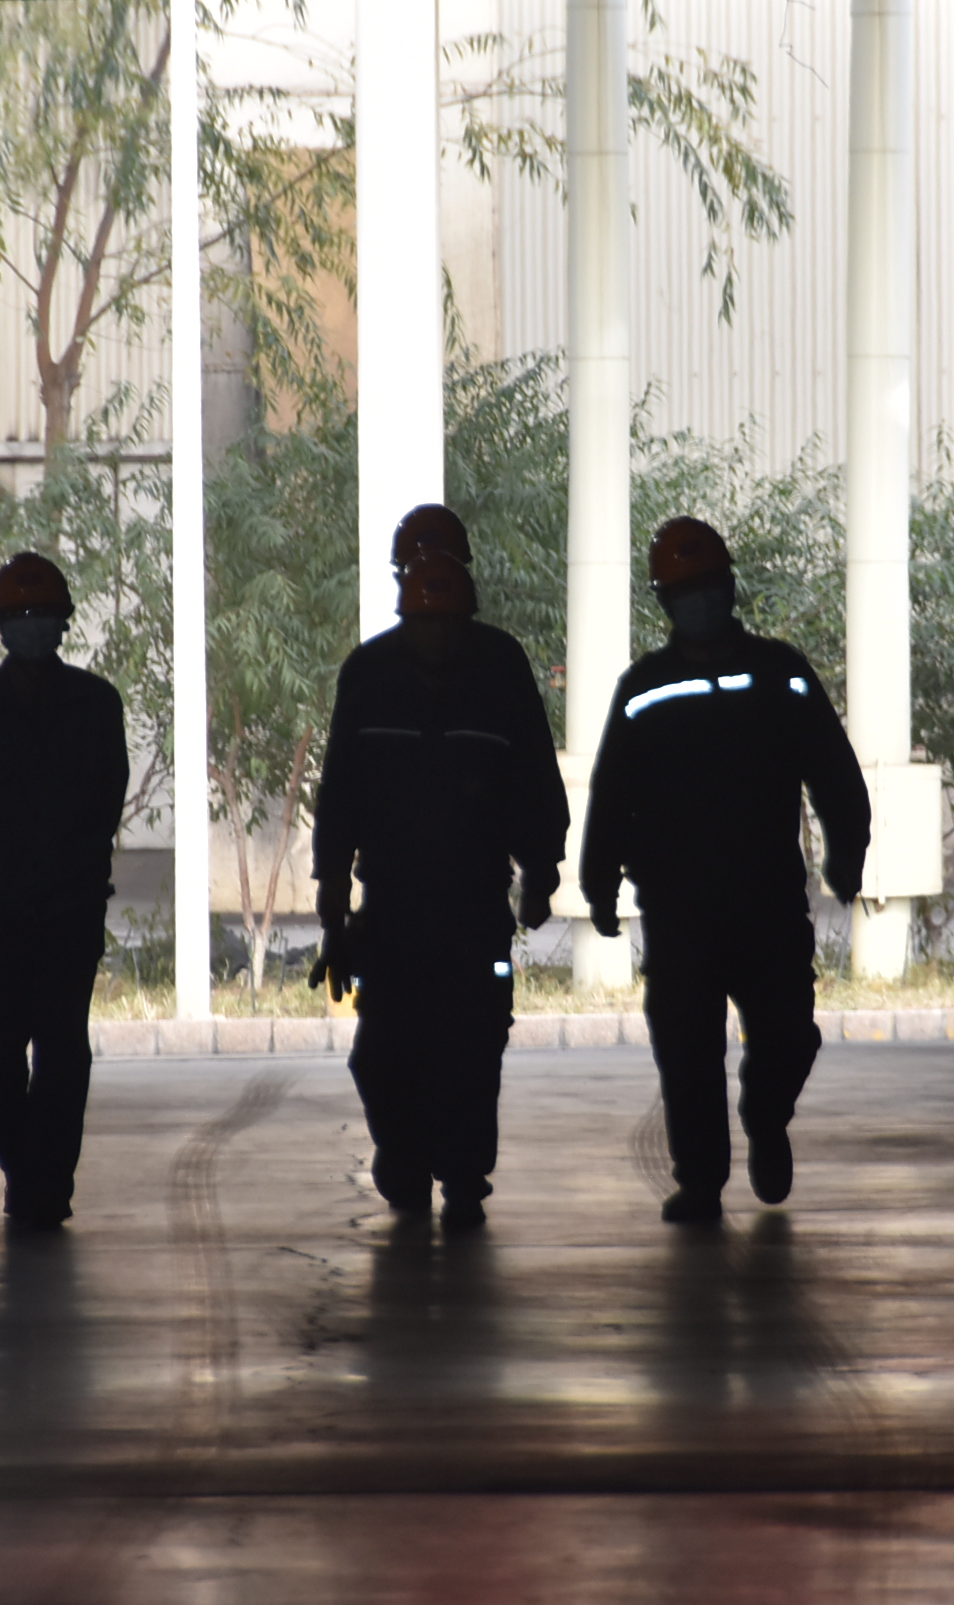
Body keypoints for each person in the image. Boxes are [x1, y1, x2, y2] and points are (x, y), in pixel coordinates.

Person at [580, 517, 870, 1224]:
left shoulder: (781, 673)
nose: (701, 601)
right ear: (665, 601)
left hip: (768, 902)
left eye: (709, 586)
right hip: (679, 909)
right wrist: (599, 883)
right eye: (687, 592)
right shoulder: (643, 688)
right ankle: (701, 1182)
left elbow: (833, 770)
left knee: (788, 1036)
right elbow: (612, 792)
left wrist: (847, 852)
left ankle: (766, 1116)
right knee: (687, 1051)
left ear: (730, 587)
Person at [309, 506, 570, 1231]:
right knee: (382, 1053)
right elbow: (340, 794)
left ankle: (462, 1173)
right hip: (391, 909)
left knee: (473, 1047)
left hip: (474, 906)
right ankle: (402, 1152)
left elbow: (534, 780)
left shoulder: (501, 668)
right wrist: (332, 906)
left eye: (449, 622)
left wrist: (541, 873)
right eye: (426, 621)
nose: (438, 636)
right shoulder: (368, 674)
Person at [0, 551, 130, 1232]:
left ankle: (49, 1181)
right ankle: (25, 1174)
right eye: (19, 615)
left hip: (69, 909)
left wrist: (62, 857)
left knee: (63, 1048)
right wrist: (13, 851)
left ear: (63, 622)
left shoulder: (96, 704)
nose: (31, 626)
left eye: (41, 614)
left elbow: (108, 800)